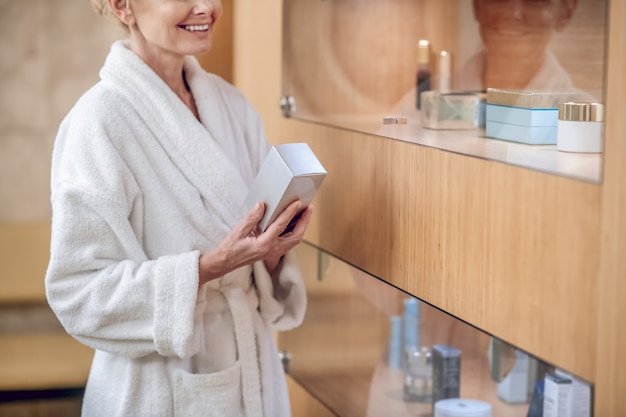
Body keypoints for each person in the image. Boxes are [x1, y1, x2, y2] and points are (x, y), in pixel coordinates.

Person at [45, 0, 313, 416]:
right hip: (160, 387)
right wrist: (207, 267)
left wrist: (270, 254)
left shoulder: (231, 105)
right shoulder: (97, 122)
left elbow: (253, 256)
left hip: (252, 371)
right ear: (122, 6)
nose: (206, 6)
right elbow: (77, 293)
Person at [392, 0, 580, 117]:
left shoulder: (583, 117)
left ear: (566, 13)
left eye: (535, 0)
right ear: (477, 5)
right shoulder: (422, 99)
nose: (513, 13)